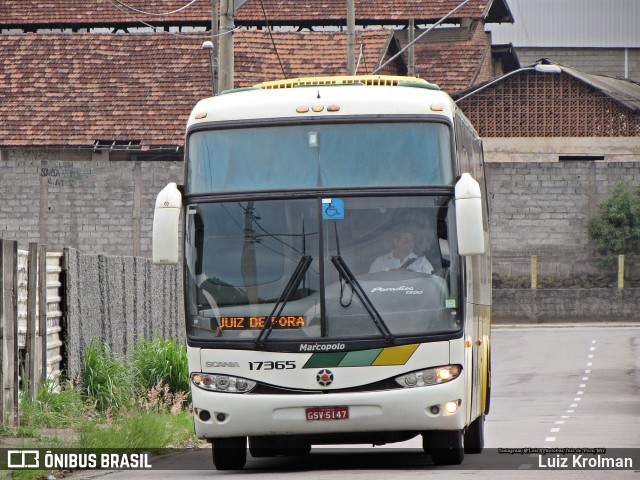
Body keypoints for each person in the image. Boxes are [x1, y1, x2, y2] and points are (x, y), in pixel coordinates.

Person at [369, 230, 434, 274]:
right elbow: (370, 284)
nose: (410, 242)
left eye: (412, 240)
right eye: (406, 239)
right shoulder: (380, 262)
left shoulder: (422, 262)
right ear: (396, 242)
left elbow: (430, 284)